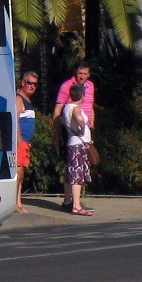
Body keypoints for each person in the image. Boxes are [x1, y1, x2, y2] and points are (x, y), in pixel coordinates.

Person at [53, 61, 95, 211]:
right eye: (79, 73)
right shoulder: (67, 86)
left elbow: (90, 107)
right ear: (75, 73)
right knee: (72, 166)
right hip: (72, 131)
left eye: (85, 74)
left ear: (89, 74)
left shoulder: (90, 87)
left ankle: (76, 200)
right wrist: (57, 134)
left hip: (85, 132)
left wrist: (91, 125)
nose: (82, 76)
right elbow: (58, 110)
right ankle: (69, 200)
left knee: (82, 166)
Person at [62, 83, 93, 215]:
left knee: (71, 172)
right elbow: (79, 118)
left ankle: (68, 200)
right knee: (77, 175)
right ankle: (77, 205)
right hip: (78, 144)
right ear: (82, 95)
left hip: (72, 142)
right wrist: (81, 128)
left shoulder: (66, 107)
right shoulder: (75, 108)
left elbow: (64, 122)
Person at [15, 71, 38, 213]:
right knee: (18, 173)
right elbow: (15, 120)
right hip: (20, 143)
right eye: (29, 83)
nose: (32, 86)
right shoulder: (19, 99)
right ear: (23, 82)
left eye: (35, 84)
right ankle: (14, 203)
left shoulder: (27, 100)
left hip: (26, 143)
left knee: (22, 175)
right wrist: (19, 141)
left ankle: (18, 202)